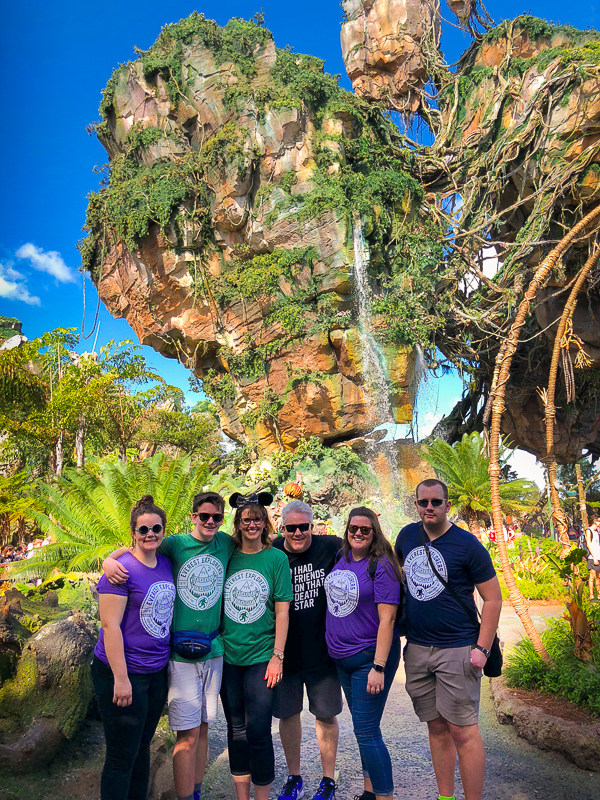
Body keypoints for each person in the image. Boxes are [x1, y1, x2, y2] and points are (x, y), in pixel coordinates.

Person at [104, 491, 234, 800]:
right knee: (181, 736)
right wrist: (110, 560)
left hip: (201, 652)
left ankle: (196, 791)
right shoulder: (175, 545)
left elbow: (259, 539)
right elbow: (137, 549)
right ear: (193, 517)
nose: (211, 522)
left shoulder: (222, 544)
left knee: (201, 729)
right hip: (172, 657)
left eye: (217, 517)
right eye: (204, 516)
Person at [395, 479, 502, 800]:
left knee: (464, 731)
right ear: (416, 505)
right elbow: (403, 579)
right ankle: (445, 797)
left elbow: (493, 598)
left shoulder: (467, 545)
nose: (429, 508)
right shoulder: (406, 536)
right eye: (423, 502)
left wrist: (482, 649)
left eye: (436, 502)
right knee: (437, 728)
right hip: (416, 650)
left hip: (458, 649)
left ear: (447, 505)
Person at [92, 495, 176, 800]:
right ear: (133, 533)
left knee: (141, 747)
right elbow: (109, 625)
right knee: (120, 756)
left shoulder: (165, 561)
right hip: (123, 673)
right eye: (143, 530)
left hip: (155, 673)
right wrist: (121, 678)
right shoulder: (119, 571)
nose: (150, 534)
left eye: (156, 528)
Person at [324, 506, 401, 800]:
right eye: (353, 528)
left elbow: (388, 620)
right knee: (362, 729)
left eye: (365, 530)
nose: (358, 533)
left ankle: (384, 796)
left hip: (369, 658)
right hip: (342, 658)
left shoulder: (380, 566)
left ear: (374, 533)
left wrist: (378, 667)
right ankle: (370, 793)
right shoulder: (341, 557)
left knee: (367, 732)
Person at [220, 493, 293, 800]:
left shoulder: (276, 558)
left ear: (265, 523)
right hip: (228, 655)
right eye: (246, 519)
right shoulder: (226, 554)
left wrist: (278, 656)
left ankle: (262, 796)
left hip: (262, 655)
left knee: (259, 729)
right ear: (238, 523)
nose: (252, 524)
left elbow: (282, 610)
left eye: (257, 519)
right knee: (236, 729)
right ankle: (242, 797)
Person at [272, 500, 344, 800]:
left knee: (326, 715)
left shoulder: (332, 547)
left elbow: (371, 552)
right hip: (285, 655)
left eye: (304, 526)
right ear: (283, 528)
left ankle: (328, 779)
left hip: (322, 652)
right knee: (288, 715)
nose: (298, 532)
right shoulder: (272, 551)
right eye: (292, 527)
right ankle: (294, 776)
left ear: (311, 526)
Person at [585, 516, 600, 600]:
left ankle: (598, 594)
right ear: (595, 521)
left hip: (598, 556)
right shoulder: (589, 530)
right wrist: (594, 557)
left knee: (598, 576)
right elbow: (589, 544)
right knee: (592, 576)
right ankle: (591, 595)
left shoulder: (597, 532)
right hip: (592, 557)